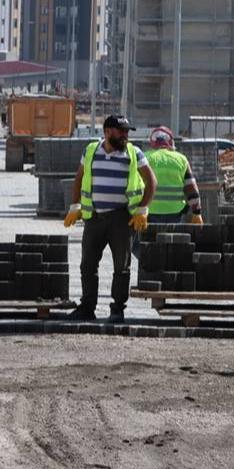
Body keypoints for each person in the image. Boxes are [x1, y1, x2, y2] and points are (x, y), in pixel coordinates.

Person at [64, 114, 158, 324]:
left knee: (121, 266)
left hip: (121, 219)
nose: (125, 135)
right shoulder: (90, 151)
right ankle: (87, 308)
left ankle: (117, 310)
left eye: (127, 131)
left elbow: (151, 181)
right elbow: (79, 177)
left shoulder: (134, 153)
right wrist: (75, 205)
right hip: (94, 218)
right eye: (121, 131)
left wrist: (143, 208)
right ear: (107, 131)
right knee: (88, 265)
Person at [144, 126, 203, 225]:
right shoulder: (181, 159)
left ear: (152, 142)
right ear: (171, 142)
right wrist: (197, 213)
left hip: (149, 212)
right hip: (175, 213)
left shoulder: (144, 158)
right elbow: (191, 188)